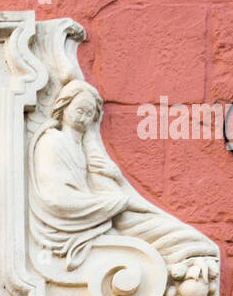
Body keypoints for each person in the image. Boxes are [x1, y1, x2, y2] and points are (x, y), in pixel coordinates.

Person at [29, 78, 218, 276]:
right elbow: (57, 199)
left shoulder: (84, 146)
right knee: (146, 219)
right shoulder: (52, 141)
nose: (83, 118)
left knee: (162, 225)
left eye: (89, 113)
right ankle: (190, 249)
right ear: (64, 106)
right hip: (82, 216)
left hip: (99, 211)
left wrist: (117, 178)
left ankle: (192, 250)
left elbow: (105, 183)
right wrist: (116, 202)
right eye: (79, 110)